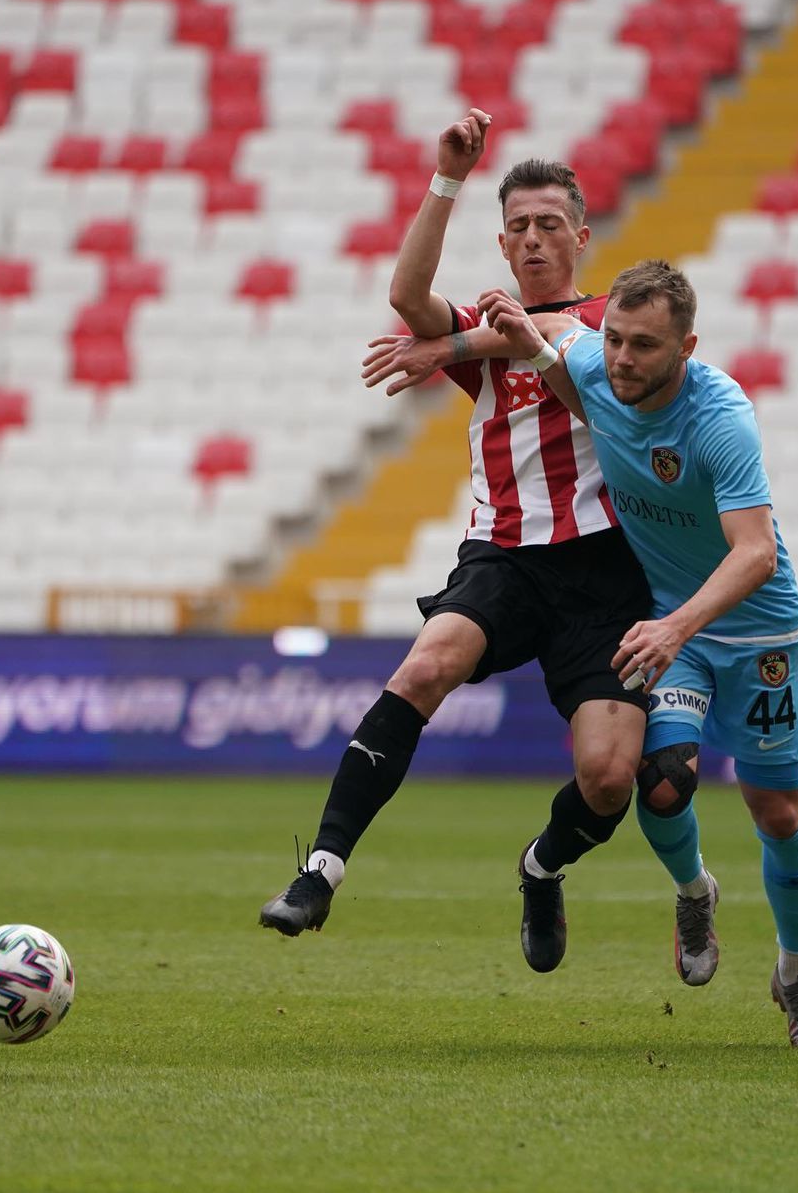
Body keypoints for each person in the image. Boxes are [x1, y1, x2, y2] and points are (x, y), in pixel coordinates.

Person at [260, 114, 720, 987]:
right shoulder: (489, 317)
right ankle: (319, 871)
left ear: (581, 237)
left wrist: (452, 345)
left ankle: (541, 867)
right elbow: (407, 297)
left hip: (607, 573)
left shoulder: (607, 326)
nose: (536, 237)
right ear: (502, 242)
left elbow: (552, 358)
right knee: (426, 666)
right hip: (503, 557)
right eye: (519, 226)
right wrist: (445, 178)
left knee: (612, 777)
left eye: (552, 223)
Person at [362, 259, 798, 1050]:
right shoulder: (596, 361)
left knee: (777, 812)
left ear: (688, 346)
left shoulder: (720, 414)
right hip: (668, 627)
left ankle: (796, 975)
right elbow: (557, 334)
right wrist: (467, 348)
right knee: (658, 785)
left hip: (754, 630)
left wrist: (679, 624)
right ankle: (694, 891)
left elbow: (755, 553)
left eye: (643, 347)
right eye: (612, 338)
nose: (620, 358)